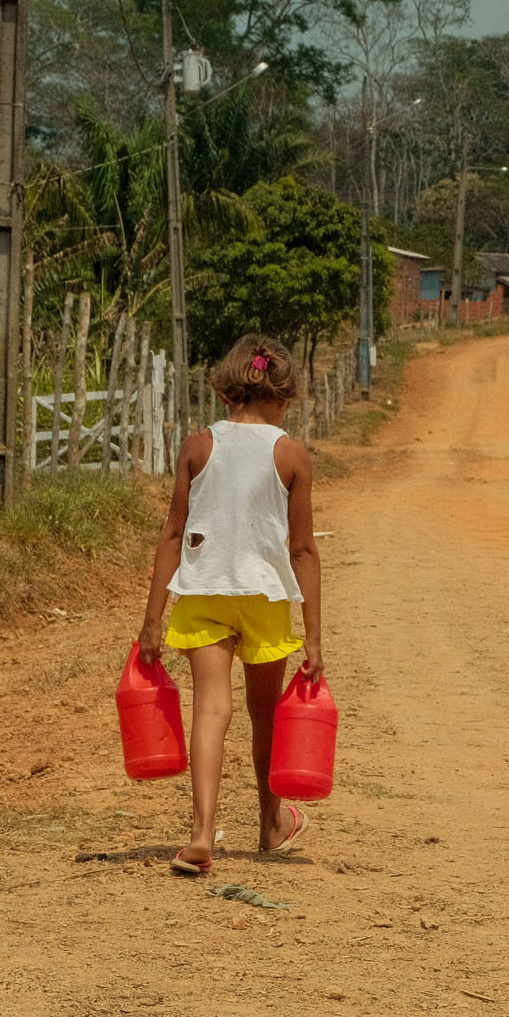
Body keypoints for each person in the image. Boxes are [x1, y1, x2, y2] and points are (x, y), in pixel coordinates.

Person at [137, 335, 323, 875]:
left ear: (227, 392)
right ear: (283, 395)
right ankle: (270, 824)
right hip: (264, 596)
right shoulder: (291, 453)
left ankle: (200, 835)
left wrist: (153, 621)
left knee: (211, 710)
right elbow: (304, 549)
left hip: (204, 590)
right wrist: (312, 635)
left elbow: (172, 535)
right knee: (263, 713)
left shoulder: (198, 446)